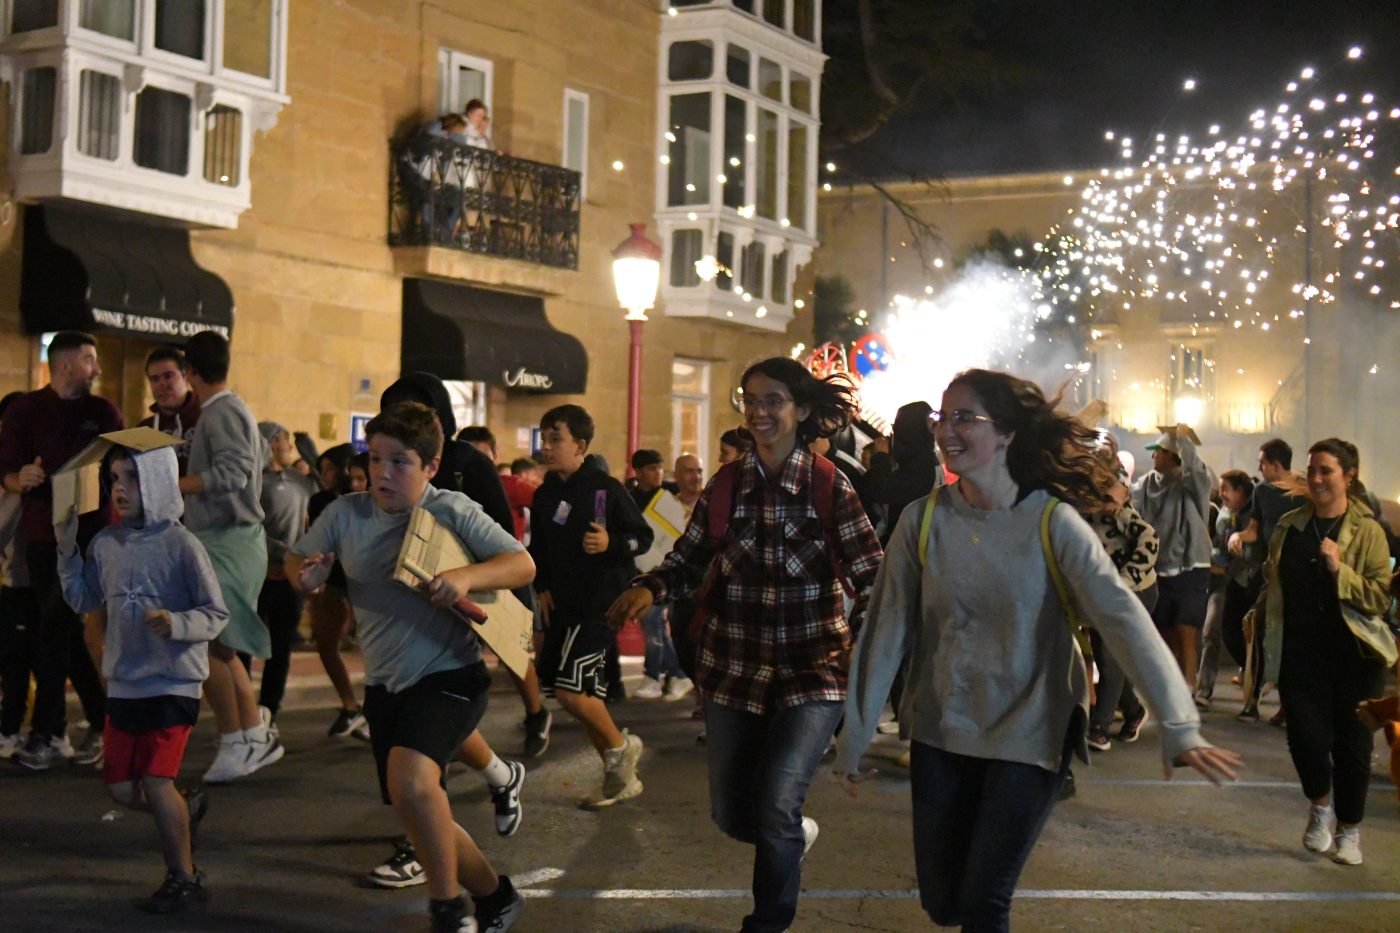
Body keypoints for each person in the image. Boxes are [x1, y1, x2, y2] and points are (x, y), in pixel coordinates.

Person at [835, 369, 1240, 932]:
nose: (947, 431)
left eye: (964, 417)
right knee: (945, 902)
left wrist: (1179, 721)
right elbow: (887, 627)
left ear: (1005, 433)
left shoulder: (1054, 523)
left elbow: (1123, 619)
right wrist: (855, 735)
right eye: (941, 418)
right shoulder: (921, 521)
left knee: (984, 903)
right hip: (943, 730)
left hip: (1031, 731)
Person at [608, 358, 883, 933]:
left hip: (814, 669)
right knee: (735, 815)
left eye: (773, 401)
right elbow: (689, 560)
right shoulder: (727, 484)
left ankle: (768, 922)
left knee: (779, 799)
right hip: (735, 667)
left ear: (802, 410)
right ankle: (791, 835)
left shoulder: (830, 485)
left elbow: (873, 578)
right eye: (750, 400)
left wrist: (865, 643)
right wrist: (649, 587)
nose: (759, 412)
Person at [288, 402, 532, 932]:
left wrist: (466, 577)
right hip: (385, 683)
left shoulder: (451, 510)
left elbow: (522, 563)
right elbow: (298, 560)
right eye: (375, 460)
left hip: (451, 675)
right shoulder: (345, 513)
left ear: (431, 466)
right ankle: (497, 898)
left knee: (416, 785)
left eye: (399, 462)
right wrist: (305, 576)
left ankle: (448, 913)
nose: (382, 473)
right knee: (418, 808)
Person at [55, 443, 227, 913]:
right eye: (113, 478)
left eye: (131, 477)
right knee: (119, 789)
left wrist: (177, 623)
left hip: (174, 681)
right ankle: (182, 806)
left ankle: (184, 877)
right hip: (125, 681)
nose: (119, 489)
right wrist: (66, 548)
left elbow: (215, 613)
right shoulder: (106, 543)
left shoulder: (182, 544)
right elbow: (82, 598)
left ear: (156, 481)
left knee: (154, 780)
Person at [1260, 438, 1392, 867]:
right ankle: (1320, 808)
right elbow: (1276, 586)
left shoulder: (1369, 531)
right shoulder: (1291, 526)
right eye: (1312, 470)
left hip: (1356, 658)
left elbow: (1379, 599)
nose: (1315, 479)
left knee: (1354, 750)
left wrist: (1341, 570)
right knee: (1305, 740)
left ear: (1348, 477)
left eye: (1326, 471)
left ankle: (1349, 832)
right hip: (1302, 655)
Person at [0, 331, 121, 770]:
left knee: (55, 626)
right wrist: (22, 478)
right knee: (61, 633)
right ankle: (102, 720)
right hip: (44, 537)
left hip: (91, 536)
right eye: (90, 359)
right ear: (66, 364)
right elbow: (7, 471)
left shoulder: (102, 411)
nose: (97, 368)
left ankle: (48, 735)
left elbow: (123, 462)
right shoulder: (25, 410)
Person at [532, 404, 653, 809]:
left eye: (556, 439)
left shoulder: (605, 488)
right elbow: (540, 549)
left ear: (580, 445)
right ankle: (619, 777)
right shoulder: (546, 493)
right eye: (544, 438)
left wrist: (611, 544)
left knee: (572, 691)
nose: (546, 446)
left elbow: (643, 537)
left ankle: (621, 749)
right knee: (578, 694)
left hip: (601, 603)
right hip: (563, 604)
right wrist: (542, 585)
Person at [177, 331, 282, 783]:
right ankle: (250, 737)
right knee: (223, 644)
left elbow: (235, 473)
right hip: (232, 540)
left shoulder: (220, 412)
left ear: (190, 374)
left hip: (228, 540)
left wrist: (175, 484)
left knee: (204, 642)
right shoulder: (231, 409)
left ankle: (236, 740)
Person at [1133, 424, 1214, 684]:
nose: (1153, 456)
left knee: (1186, 632)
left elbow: (1199, 473)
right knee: (1164, 634)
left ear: (1171, 455)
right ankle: (1170, 688)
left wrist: (1183, 440)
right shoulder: (1145, 484)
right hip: (1158, 570)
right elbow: (1128, 502)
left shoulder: (1189, 484)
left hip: (1191, 568)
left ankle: (1187, 690)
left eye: (1158, 451)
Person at [251, 422, 315, 728]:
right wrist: (285, 553)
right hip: (258, 577)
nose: (288, 443)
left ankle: (268, 710)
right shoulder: (254, 482)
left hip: (290, 579)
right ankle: (243, 714)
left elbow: (316, 512)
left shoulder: (299, 480)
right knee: (243, 646)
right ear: (270, 443)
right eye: (282, 438)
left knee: (280, 648)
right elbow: (251, 529)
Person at [305, 444, 369, 738]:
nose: (325, 474)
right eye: (322, 468)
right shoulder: (320, 501)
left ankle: (375, 709)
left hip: (367, 581)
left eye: (331, 468)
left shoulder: (369, 501)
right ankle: (350, 705)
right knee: (326, 641)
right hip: (335, 579)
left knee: (376, 646)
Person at [628, 449, 692, 701]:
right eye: (652, 468)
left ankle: (655, 675)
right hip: (641, 571)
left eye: (660, 468)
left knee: (653, 621)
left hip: (667, 570)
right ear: (639, 471)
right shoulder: (630, 499)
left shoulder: (669, 499)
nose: (657, 473)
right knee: (654, 624)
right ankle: (675, 675)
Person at [0, 390, 36, 757]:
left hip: (23, 579)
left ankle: (13, 729)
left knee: (18, 657)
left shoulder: (24, 470)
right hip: (16, 577)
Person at [1215, 470, 1266, 721]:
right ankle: (1253, 672)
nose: (1221, 494)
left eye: (1227, 489)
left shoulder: (1259, 508)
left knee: (1254, 640)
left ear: (1242, 492)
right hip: (1236, 578)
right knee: (1229, 632)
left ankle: (1252, 701)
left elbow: (1257, 537)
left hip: (1257, 580)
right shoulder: (1226, 515)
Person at [138, 347, 201, 476]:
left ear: (186, 376)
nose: (162, 384)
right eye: (155, 379)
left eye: (168, 376)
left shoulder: (206, 418)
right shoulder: (144, 431)